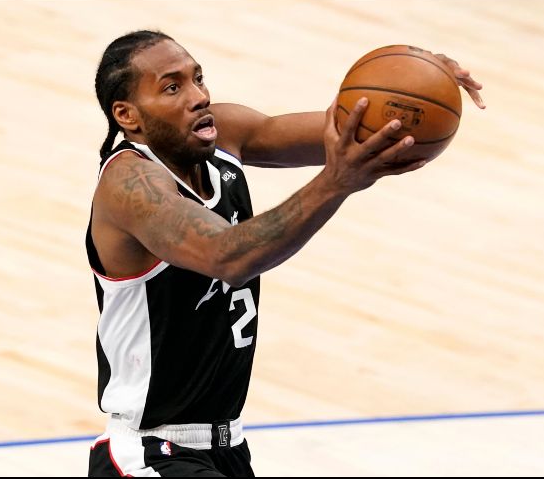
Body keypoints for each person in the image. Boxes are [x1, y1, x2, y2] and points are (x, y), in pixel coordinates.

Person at [86, 30, 484, 478]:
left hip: (227, 447)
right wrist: (335, 183)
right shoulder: (130, 186)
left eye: (198, 78)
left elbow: (356, 131)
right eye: (172, 87)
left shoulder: (224, 134)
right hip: (150, 454)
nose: (198, 96)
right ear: (128, 115)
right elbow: (228, 256)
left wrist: (419, 86)